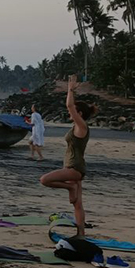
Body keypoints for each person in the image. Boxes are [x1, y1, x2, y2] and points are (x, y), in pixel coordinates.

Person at [40, 74, 96, 236]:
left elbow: (70, 106)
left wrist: (70, 90)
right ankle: (81, 235)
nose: (70, 114)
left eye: (74, 112)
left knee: (45, 180)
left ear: (79, 113)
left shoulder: (81, 126)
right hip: (74, 166)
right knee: (77, 204)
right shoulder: (78, 127)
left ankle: (69, 186)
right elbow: (71, 108)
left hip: (74, 167)